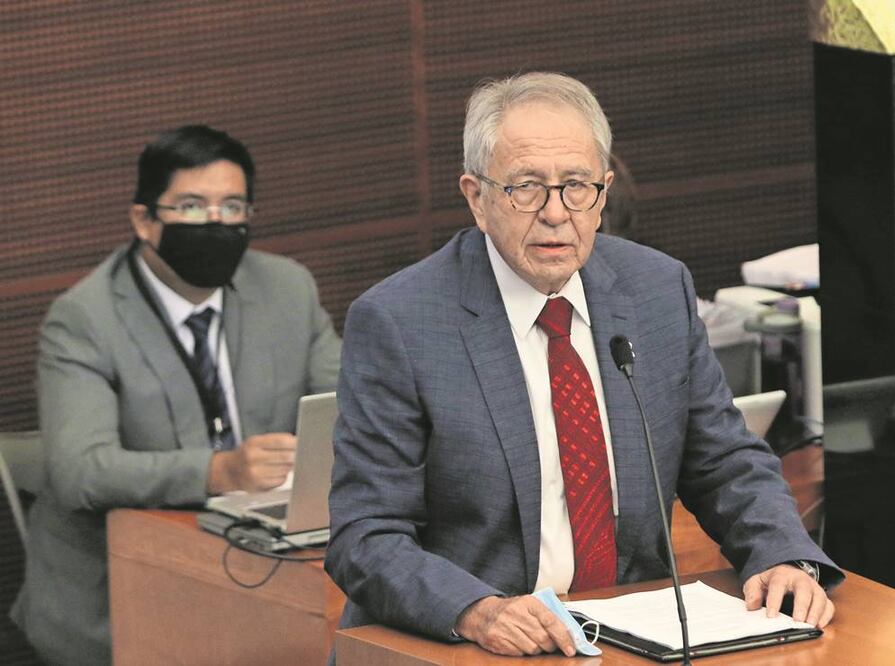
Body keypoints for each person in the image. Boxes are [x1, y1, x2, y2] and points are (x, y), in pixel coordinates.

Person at [327, 72, 841, 658]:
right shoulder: (400, 321)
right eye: (525, 187)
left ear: (604, 190)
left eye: (577, 186)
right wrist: (476, 611)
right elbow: (364, 536)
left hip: (625, 634)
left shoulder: (654, 289)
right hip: (468, 647)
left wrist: (781, 556)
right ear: (476, 196)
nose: (555, 213)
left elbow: (724, 460)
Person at [10, 125, 341, 665]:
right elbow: (80, 471)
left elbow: (356, 403)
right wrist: (217, 472)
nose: (216, 223)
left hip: (264, 565)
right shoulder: (83, 320)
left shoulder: (286, 288)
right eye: (191, 206)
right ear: (144, 220)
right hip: (117, 596)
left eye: (233, 207)